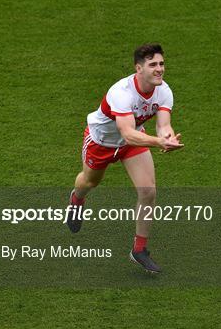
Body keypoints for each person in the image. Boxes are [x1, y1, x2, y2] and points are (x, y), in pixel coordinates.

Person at [66, 43, 183, 273]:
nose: (159, 69)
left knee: (148, 190)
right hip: (101, 142)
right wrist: (158, 142)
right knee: (89, 182)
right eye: (152, 65)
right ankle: (77, 200)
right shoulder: (121, 92)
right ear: (138, 69)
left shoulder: (164, 91)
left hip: (133, 142)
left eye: (161, 64)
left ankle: (139, 250)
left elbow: (163, 125)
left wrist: (167, 138)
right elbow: (127, 134)